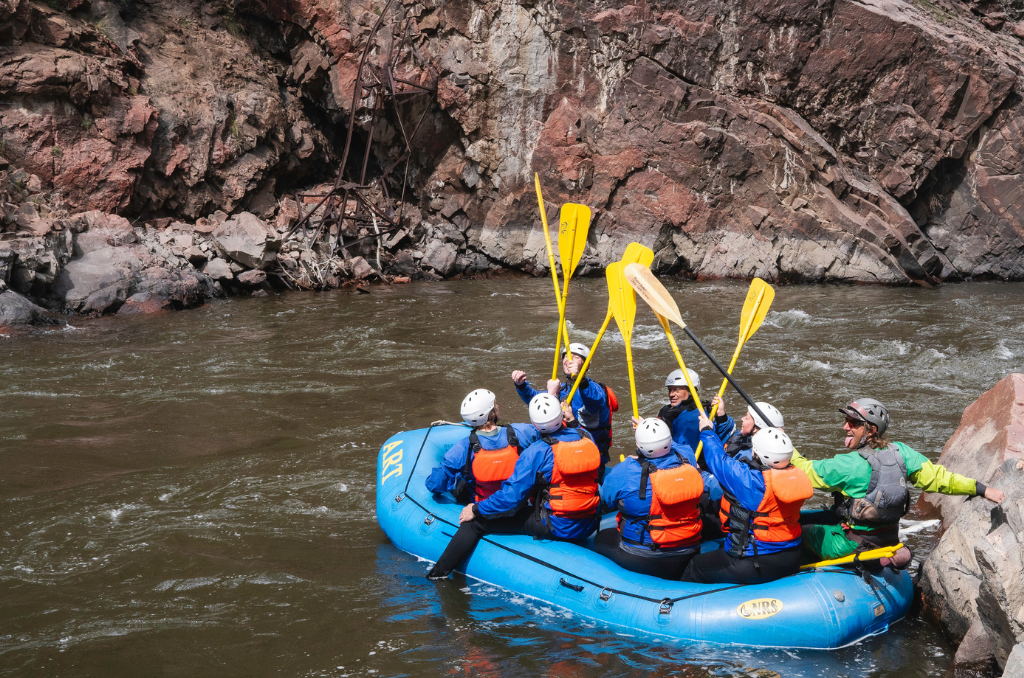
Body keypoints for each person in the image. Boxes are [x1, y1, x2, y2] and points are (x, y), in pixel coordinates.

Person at [794, 398, 1006, 568]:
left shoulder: (849, 464)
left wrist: (782, 447)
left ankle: (799, 579)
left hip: (852, 545)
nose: (845, 427)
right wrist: (980, 488)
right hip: (887, 539)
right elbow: (940, 479)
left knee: (797, 532)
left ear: (870, 430)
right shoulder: (902, 453)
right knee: (823, 516)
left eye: (853, 423)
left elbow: (805, 473)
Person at [426, 393, 601, 580]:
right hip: (590, 521)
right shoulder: (586, 437)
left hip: (556, 525)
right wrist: (571, 421)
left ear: (535, 424)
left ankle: (437, 576)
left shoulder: (536, 452)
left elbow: (510, 498)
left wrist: (476, 509)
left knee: (475, 522)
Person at [682, 414, 813, 584]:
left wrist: (707, 431)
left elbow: (717, 459)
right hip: (792, 556)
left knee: (694, 566)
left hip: (755, 561)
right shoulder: (797, 475)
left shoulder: (750, 481)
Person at [595, 418, 706, 579]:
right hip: (689, 550)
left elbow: (607, 498)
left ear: (640, 446)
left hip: (643, 557)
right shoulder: (688, 456)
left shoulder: (626, 470)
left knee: (601, 538)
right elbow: (673, 446)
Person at [425, 389, 540, 504]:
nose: (498, 406)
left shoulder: (463, 447)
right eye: (495, 405)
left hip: (482, 508)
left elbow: (436, 484)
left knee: (461, 481)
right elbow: (547, 429)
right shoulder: (522, 432)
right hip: (518, 505)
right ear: (491, 414)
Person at [512, 342, 616, 465]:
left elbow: (595, 400)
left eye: (576, 357)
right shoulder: (561, 388)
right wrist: (522, 385)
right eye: (566, 356)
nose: (569, 360)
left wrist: (580, 379)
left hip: (587, 455)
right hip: (562, 450)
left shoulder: (594, 389)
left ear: (586, 365)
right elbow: (539, 405)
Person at [650, 369, 735, 452]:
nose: (671, 394)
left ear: (691, 391)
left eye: (677, 390)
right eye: (670, 390)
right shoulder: (667, 410)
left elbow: (682, 452)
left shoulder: (692, 418)